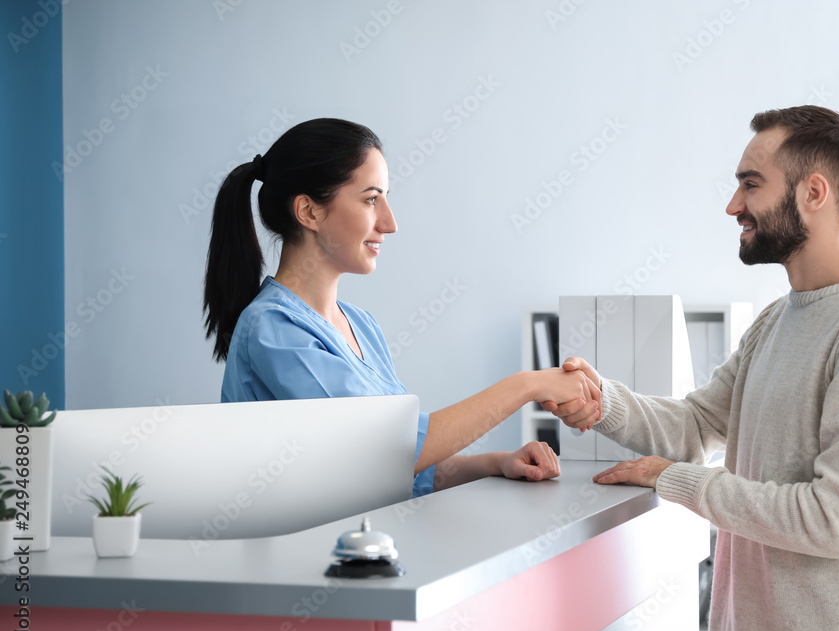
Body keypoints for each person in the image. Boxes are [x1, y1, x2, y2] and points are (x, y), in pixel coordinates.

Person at [546, 106, 839, 631]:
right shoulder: (775, 321)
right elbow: (697, 424)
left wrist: (677, 481)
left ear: (814, 192)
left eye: (750, 185)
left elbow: (835, 522)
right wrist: (602, 401)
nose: (733, 206)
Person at [203, 118, 601, 496]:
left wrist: (493, 463)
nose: (390, 223)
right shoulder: (272, 329)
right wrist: (527, 385)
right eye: (371, 200)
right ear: (308, 211)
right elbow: (388, 450)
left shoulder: (360, 326)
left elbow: (394, 468)